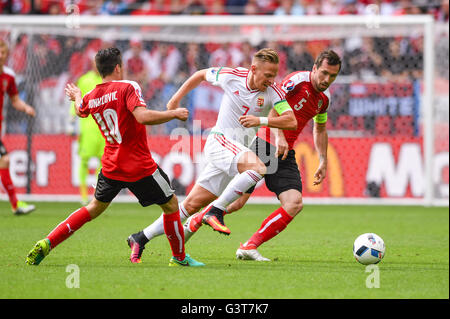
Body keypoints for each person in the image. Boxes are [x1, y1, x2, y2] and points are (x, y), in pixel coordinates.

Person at [25, 47, 203, 267]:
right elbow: (142, 117)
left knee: (93, 208)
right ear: (119, 67)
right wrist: (173, 114)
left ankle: (48, 242)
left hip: (111, 165)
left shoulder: (93, 95)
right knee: (171, 205)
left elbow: (81, 110)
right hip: (139, 165)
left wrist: (77, 96)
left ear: (99, 70)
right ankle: (179, 258)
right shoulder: (129, 87)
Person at [126, 48, 297, 263]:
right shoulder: (232, 77)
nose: (272, 80)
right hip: (220, 141)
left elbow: (291, 121)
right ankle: (215, 211)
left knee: (190, 205)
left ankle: (140, 237)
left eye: (274, 75)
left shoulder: (274, 92)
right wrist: (175, 99)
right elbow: (199, 75)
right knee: (259, 169)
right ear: (254, 69)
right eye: (268, 75)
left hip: (234, 153)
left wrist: (261, 121)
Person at [185, 49, 342, 261]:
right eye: (323, 73)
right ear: (314, 68)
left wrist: (322, 160)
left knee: (294, 203)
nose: (326, 79)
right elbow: (273, 105)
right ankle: (201, 217)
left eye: (332, 76)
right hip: (263, 143)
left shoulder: (325, 98)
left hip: (285, 151)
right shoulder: (296, 81)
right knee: (237, 203)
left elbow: (320, 129)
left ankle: (249, 245)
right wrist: (279, 136)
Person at [0, 39, 36, 215]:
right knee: (4, 161)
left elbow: (14, 100)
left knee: (4, 161)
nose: (0, 55)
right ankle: (15, 204)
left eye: (3, 52)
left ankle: (15, 204)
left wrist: (26, 107)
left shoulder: (8, 76)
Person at [69, 58, 105, 205]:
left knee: (104, 162)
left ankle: (98, 194)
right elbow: (76, 100)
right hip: (88, 128)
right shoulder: (84, 80)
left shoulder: (106, 81)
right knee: (84, 161)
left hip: (103, 129)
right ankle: (83, 195)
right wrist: (72, 120)